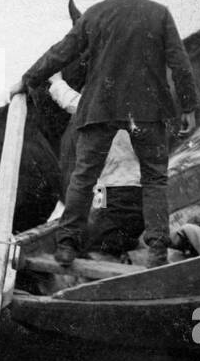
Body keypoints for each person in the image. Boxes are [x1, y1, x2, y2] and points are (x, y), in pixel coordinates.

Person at [9, 0, 198, 267]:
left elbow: (62, 52)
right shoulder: (159, 14)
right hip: (147, 112)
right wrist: (188, 107)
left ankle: (67, 245)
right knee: (154, 179)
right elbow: (180, 64)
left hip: (101, 108)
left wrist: (27, 79)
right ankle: (157, 250)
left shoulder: (96, 14)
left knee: (83, 176)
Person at [47, 74, 144, 255]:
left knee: (86, 240)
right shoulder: (137, 116)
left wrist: (56, 81)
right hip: (139, 196)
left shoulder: (102, 115)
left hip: (113, 197)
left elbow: (73, 102)